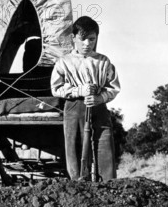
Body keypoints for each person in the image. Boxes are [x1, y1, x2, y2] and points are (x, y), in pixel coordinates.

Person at [50, 16, 120, 181]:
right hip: (75, 108)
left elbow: (113, 87)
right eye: (83, 39)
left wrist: (100, 98)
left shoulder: (103, 61)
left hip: (99, 108)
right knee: (76, 147)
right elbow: (56, 88)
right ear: (74, 38)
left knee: (105, 144)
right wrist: (79, 90)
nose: (87, 43)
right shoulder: (64, 62)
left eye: (92, 39)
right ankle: (80, 186)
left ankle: (108, 185)